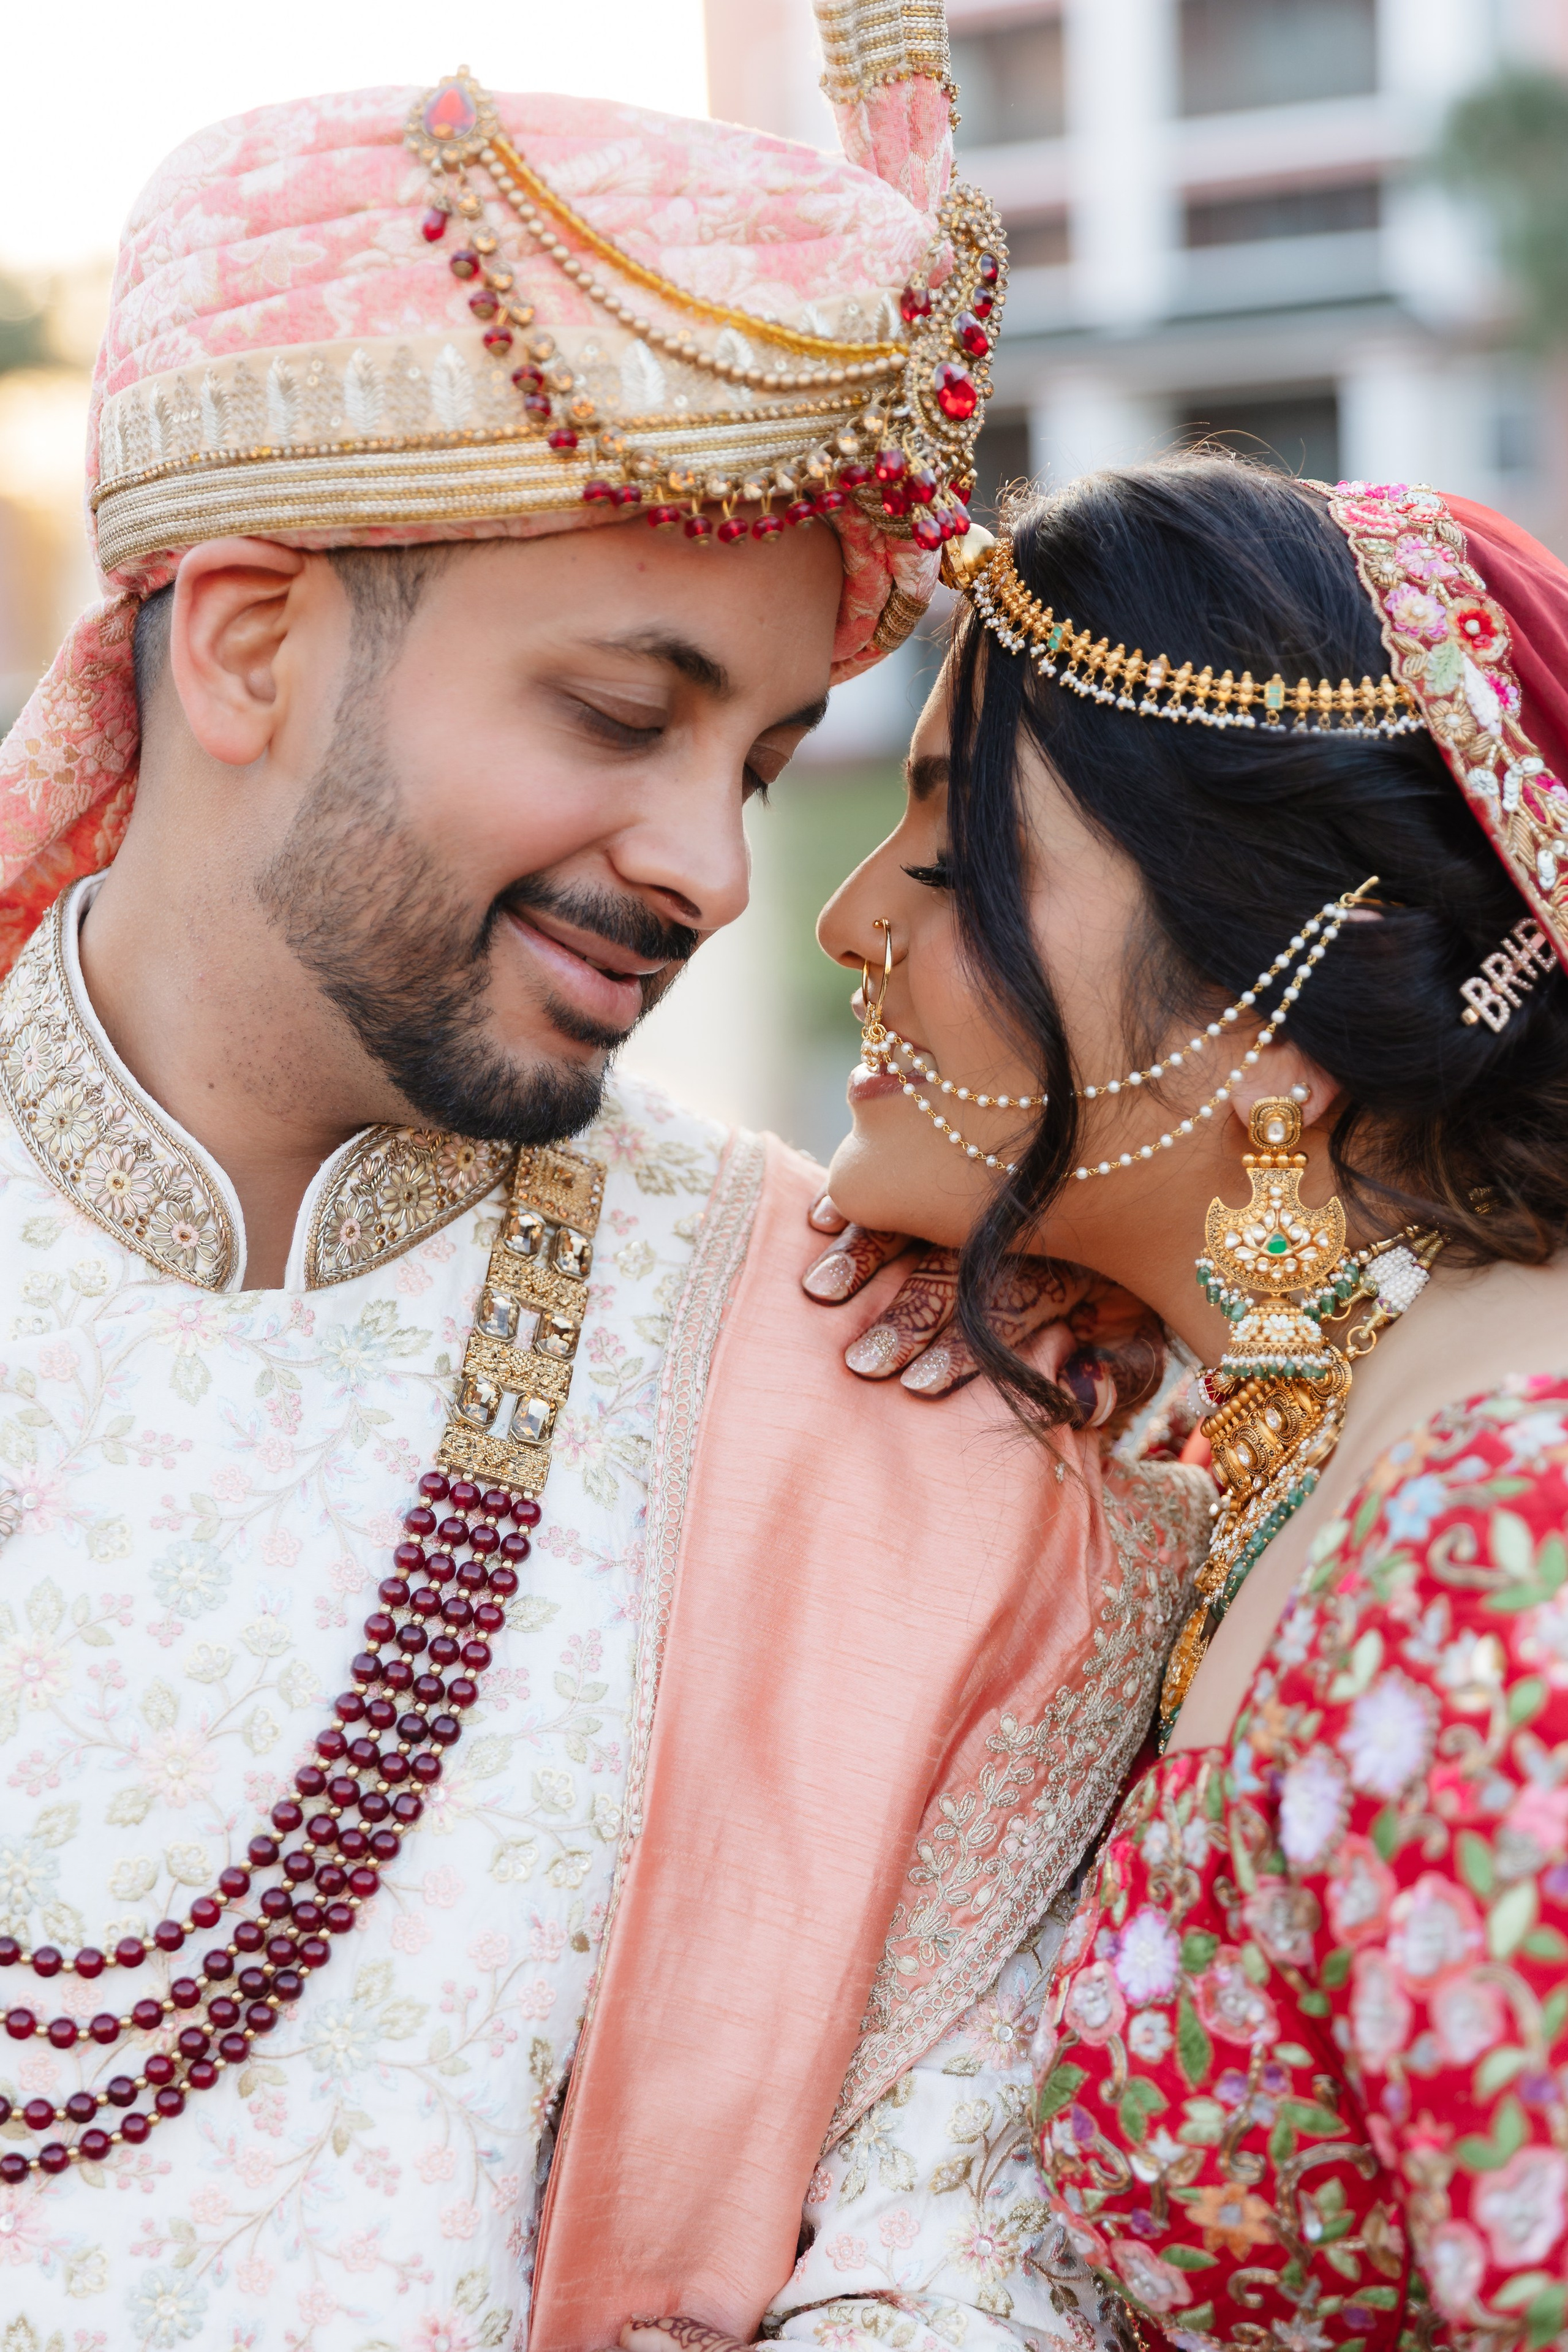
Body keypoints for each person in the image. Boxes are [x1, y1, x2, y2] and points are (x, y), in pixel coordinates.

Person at [0, 18, 1214, 2347]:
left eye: (762, 761)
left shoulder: (902, 1429)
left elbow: (966, 2253)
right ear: (249, 642)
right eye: (621, 714)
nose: (714, 870)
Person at [805, 451, 1568, 2352]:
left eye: (956, 847)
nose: (847, 920)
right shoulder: (1306, 1463)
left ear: (1295, 999)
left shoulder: (1504, 1548)